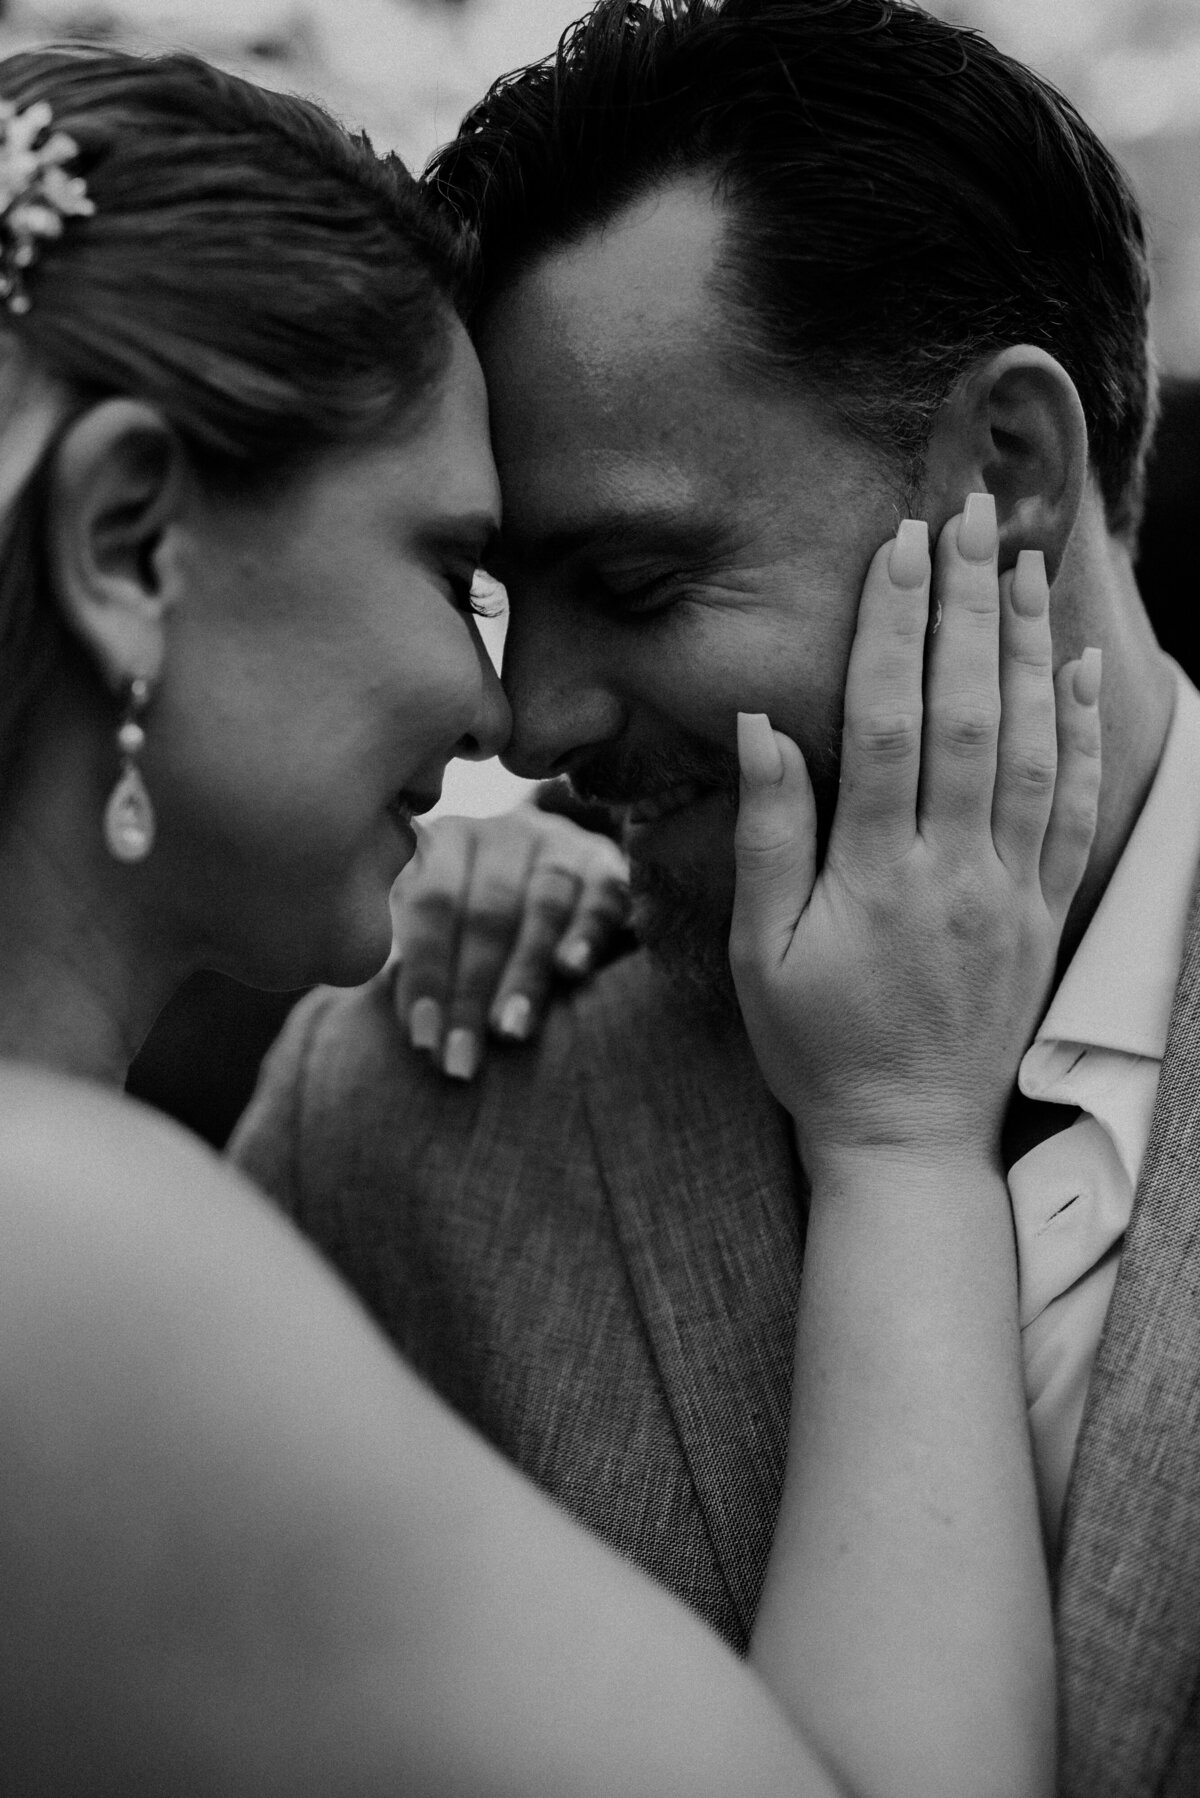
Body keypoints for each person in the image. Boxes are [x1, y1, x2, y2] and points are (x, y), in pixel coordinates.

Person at [0, 40, 1100, 1798]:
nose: (507, 713)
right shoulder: (189, 1204)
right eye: (467, 577)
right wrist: (902, 1143)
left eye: (637, 579)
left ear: (1010, 471)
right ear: (126, 547)